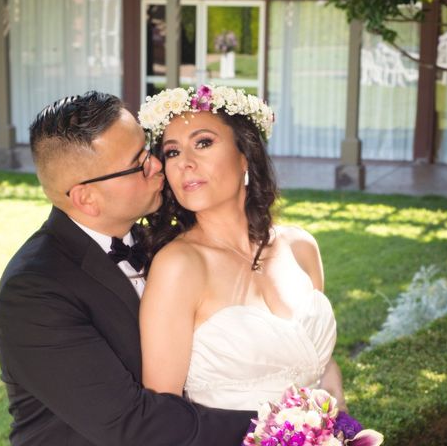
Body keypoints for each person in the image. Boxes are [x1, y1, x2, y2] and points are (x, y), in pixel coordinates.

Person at [0, 90, 253, 446]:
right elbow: (133, 425)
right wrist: (278, 426)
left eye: (151, 152)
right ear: (87, 198)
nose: (159, 166)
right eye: (139, 164)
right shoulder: (34, 293)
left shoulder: (162, 242)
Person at [138, 85, 346, 412]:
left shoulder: (300, 248)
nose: (184, 164)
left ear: (245, 157)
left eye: (203, 143)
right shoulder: (179, 266)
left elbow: (322, 368)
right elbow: (162, 411)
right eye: (172, 152)